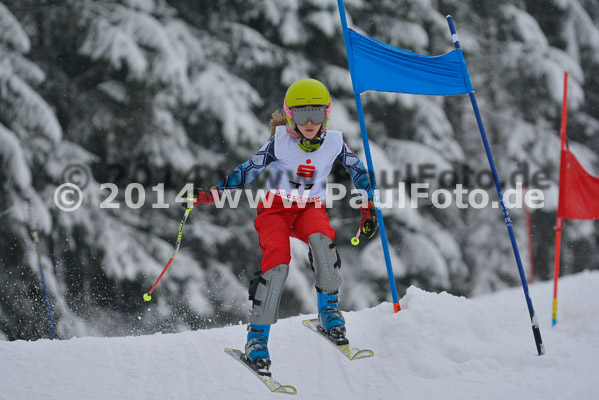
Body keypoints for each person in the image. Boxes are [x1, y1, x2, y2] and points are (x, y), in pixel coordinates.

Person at [191, 78, 378, 373]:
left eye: (316, 114)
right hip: (275, 211)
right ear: (290, 115)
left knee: (322, 242)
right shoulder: (279, 143)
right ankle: (257, 339)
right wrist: (213, 194)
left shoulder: (334, 143)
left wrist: (368, 206)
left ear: (326, 114)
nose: (309, 123)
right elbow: (247, 171)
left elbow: (359, 171)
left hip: (309, 209)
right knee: (277, 265)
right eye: (302, 115)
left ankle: (329, 311)